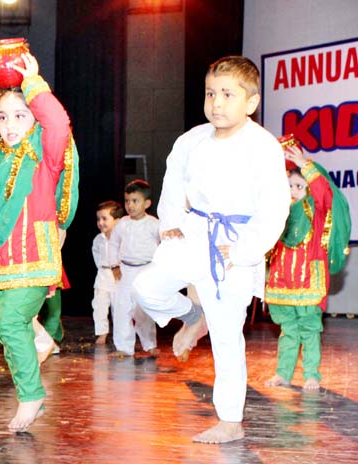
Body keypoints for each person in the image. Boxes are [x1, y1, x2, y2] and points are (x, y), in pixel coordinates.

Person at [131, 56, 289, 443]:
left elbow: (274, 207)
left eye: (227, 95)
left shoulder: (263, 146)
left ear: (250, 102)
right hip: (193, 231)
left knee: (226, 334)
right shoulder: (191, 140)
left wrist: (244, 250)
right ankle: (190, 316)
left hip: (234, 241)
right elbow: (172, 186)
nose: (216, 103)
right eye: (210, 93)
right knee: (146, 288)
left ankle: (230, 420)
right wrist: (168, 223)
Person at [0, 52, 78, 432]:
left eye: (21, 116)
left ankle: (30, 395)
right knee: (11, 328)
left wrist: (34, 82)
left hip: (36, 256)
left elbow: (58, 121)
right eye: (3, 117)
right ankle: (39, 349)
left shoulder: (46, 151)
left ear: (34, 119)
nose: (9, 125)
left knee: (10, 326)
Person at [264, 142, 351, 391]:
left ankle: (311, 375)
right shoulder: (279, 212)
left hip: (308, 280)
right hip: (282, 281)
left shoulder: (317, 209)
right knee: (288, 330)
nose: (293, 191)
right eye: (290, 186)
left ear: (309, 189)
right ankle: (283, 373)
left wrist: (303, 163)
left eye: (300, 186)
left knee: (309, 331)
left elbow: (325, 192)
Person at [108, 179, 160, 357]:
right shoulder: (122, 223)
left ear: (147, 203)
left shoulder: (154, 224)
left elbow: (163, 246)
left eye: (135, 201)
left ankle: (149, 344)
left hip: (147, 271)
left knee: (143, 310)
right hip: (126, 271)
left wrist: (159, 269)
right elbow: (113, 244)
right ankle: (123, 347)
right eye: (127, 201)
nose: (130, 205)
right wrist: (114, 265)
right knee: (122, 309)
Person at [91, 200, 125, 345]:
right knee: (99, 306)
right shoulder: (98, 239)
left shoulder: (123, 238)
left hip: (119, 277)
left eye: (105, 218)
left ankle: (121, 335)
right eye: (99, 219)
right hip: (103, 275)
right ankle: (102, 333)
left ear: (116, 220)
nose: (101, 222)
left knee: (119, 308)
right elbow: (97, 256)